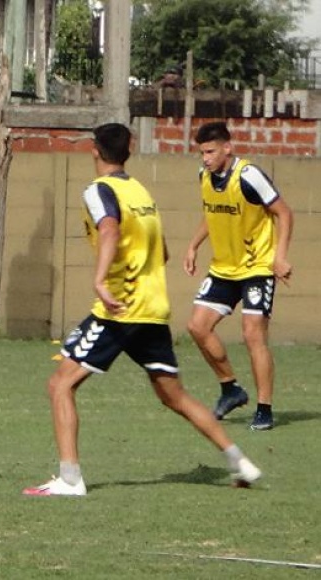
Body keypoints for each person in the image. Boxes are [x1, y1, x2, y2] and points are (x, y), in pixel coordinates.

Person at [23, 123, 261, 497]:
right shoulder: (140, 192)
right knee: (173, 396)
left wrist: (102, 279)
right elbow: (162, 251)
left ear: (94, 151)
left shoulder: (99, 190)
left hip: (119, 309)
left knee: (60, 384)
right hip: (153, 308)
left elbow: (109, 231)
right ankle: (240, 461)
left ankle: (70, 479)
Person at [183, 121, 293, 431]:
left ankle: (264, 408)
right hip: (224, 267)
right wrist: (193, 245)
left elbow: (284, 213)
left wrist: (279, 257)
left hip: (258, 266)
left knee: (252, 334)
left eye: (211, 151)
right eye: (202, 152)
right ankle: (230, 388)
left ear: (227, 147)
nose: (205, 158)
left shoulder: (249, 176)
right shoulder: (204, 176)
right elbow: (212, 211)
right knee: (197, 326)